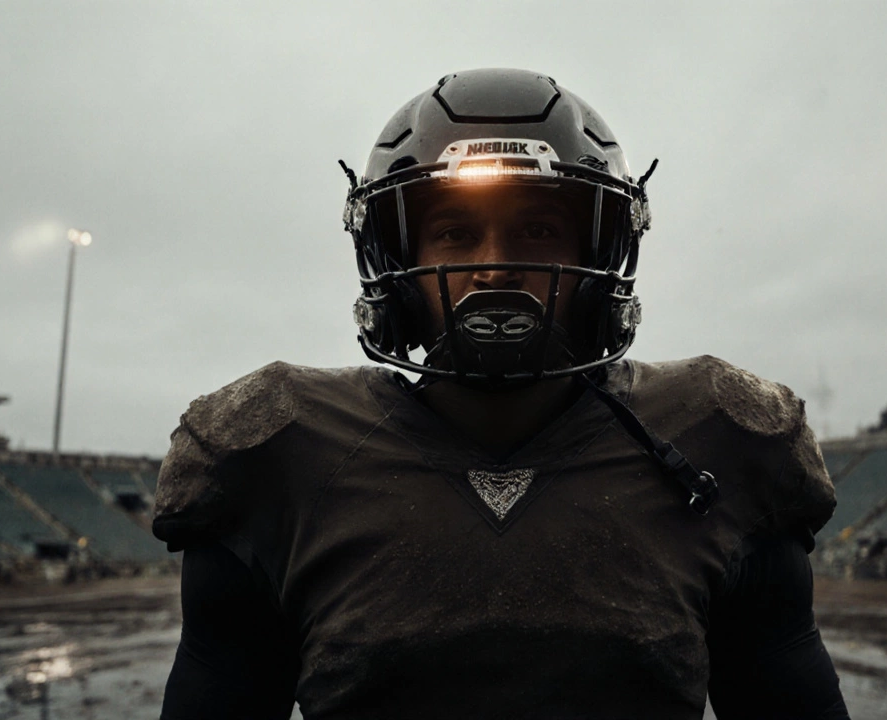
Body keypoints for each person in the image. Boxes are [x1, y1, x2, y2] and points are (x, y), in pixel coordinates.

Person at [153, 68, 849, 719]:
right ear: (397, 262)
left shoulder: (716, 441)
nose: (495, 267)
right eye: (455, 232)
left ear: (600, 256)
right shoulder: (280, 455)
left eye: (539, 229)